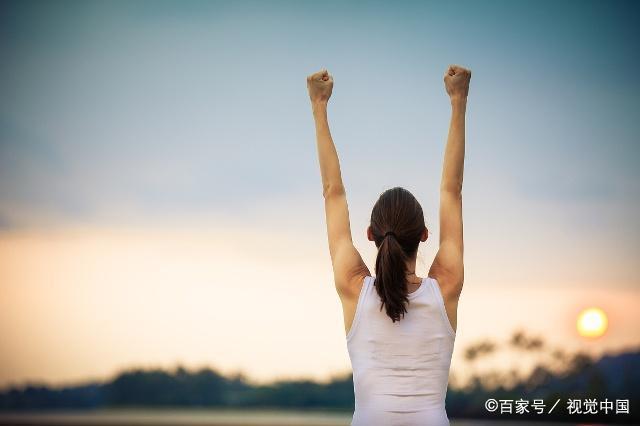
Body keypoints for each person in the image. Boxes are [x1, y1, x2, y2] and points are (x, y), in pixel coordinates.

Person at [307, 64, 471, 425]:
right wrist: (458, 101)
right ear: (424, 235)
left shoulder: (355, 289)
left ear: (371, 234)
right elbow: (451, 191)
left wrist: (319, 107)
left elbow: (332, 193)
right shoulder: (445, 288)